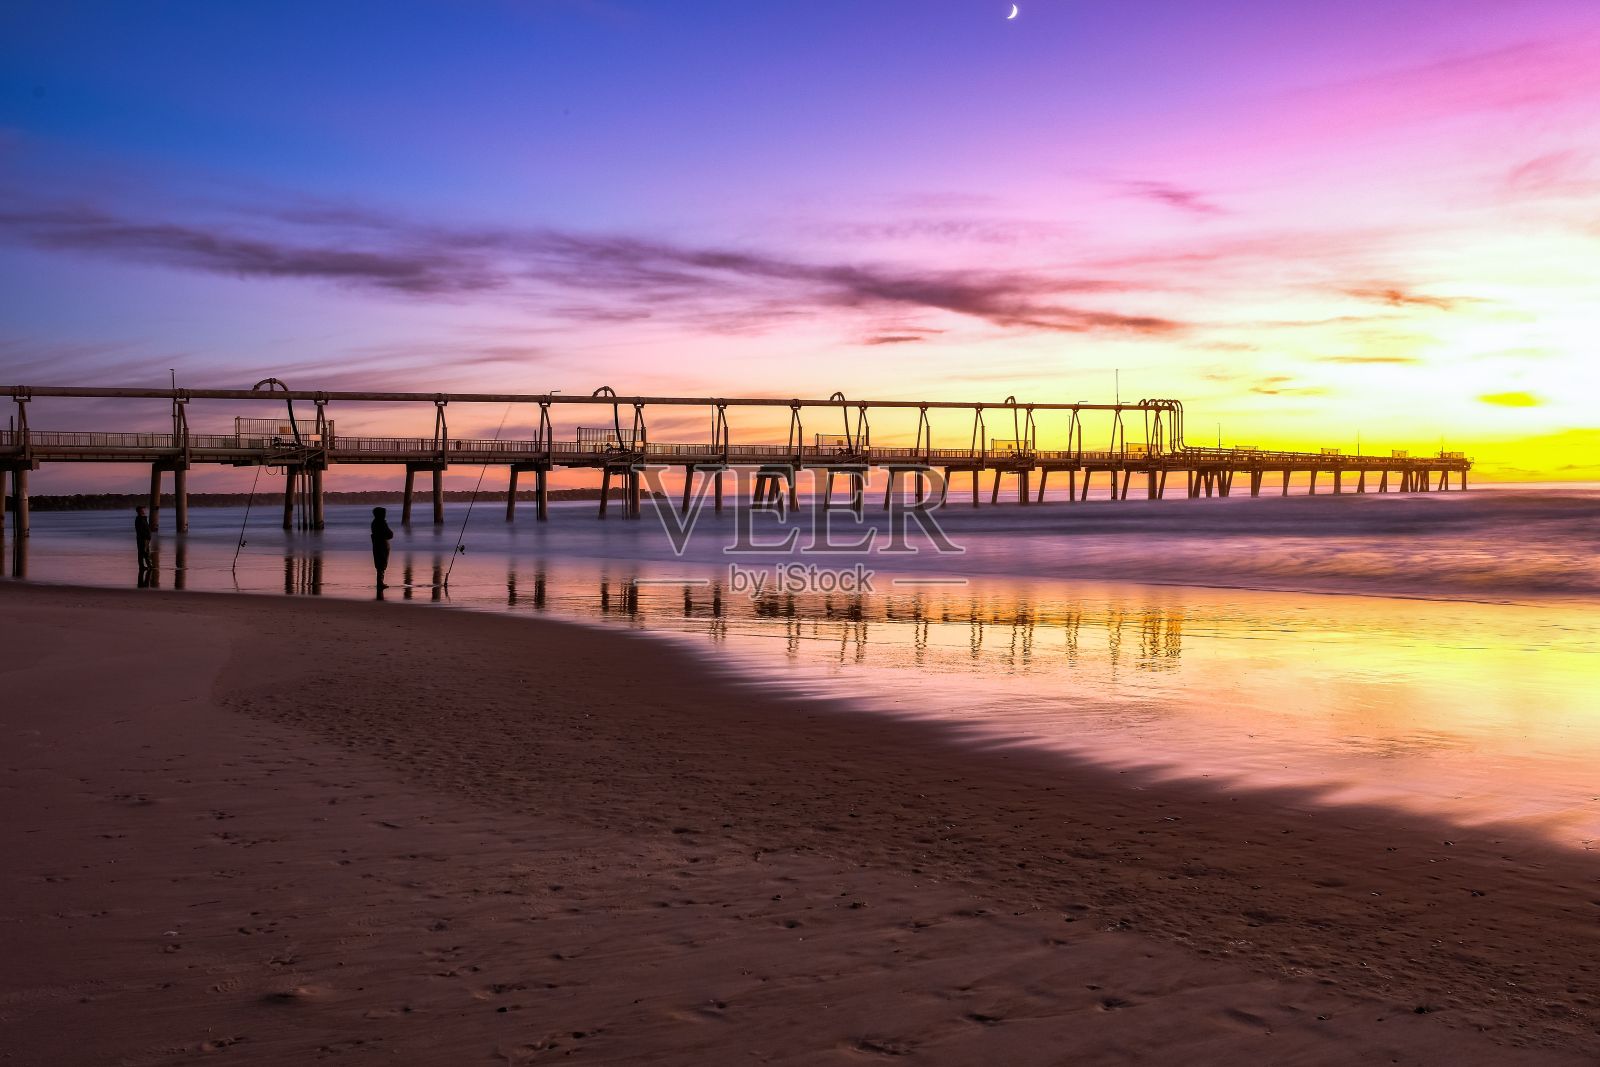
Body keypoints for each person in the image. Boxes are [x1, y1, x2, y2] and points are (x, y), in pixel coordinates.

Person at [370, 506, 394, 588]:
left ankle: (380, 582)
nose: (385, 515)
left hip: (376, 545)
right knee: (382, 564)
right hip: (382, 545)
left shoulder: (374, 523)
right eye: (384, 513)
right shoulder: (382, 523)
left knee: (379, 564)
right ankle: (380, 583)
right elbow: (390, 534)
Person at [134, 505, 152, 572]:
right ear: (140, 511)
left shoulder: (143, 518)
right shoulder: (140, 519)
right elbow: (140, 530)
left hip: (144, 538)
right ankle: (148, 566)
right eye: (143, 510)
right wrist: (147, 536)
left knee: (143, 552)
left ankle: (144, 566)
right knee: (144, 552)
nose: (145, 511)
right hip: (143, 538)